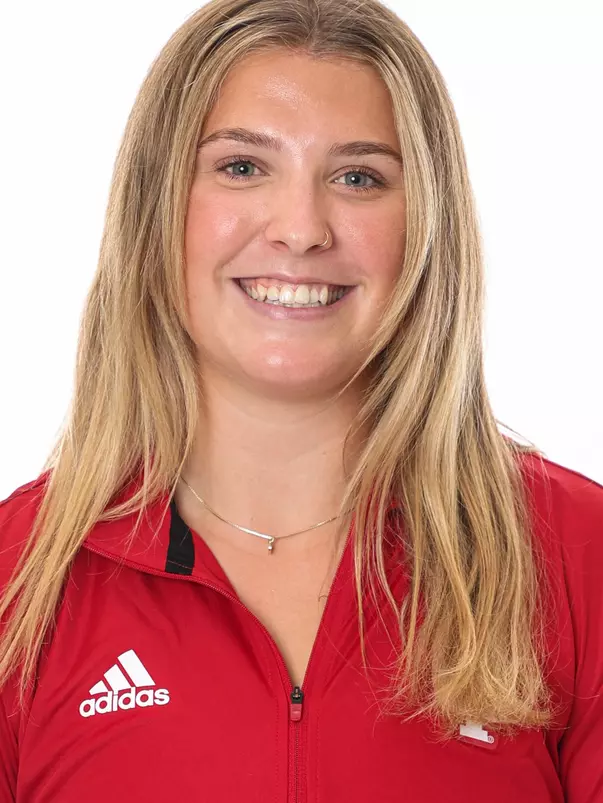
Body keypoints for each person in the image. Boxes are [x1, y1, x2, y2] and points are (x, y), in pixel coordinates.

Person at [1, 0, 602, 800]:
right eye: (242, 166)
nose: (300, 228)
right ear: (157, 207)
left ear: (425, 223)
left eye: (358, 177)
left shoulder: (575, 555)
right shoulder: (20, 580)